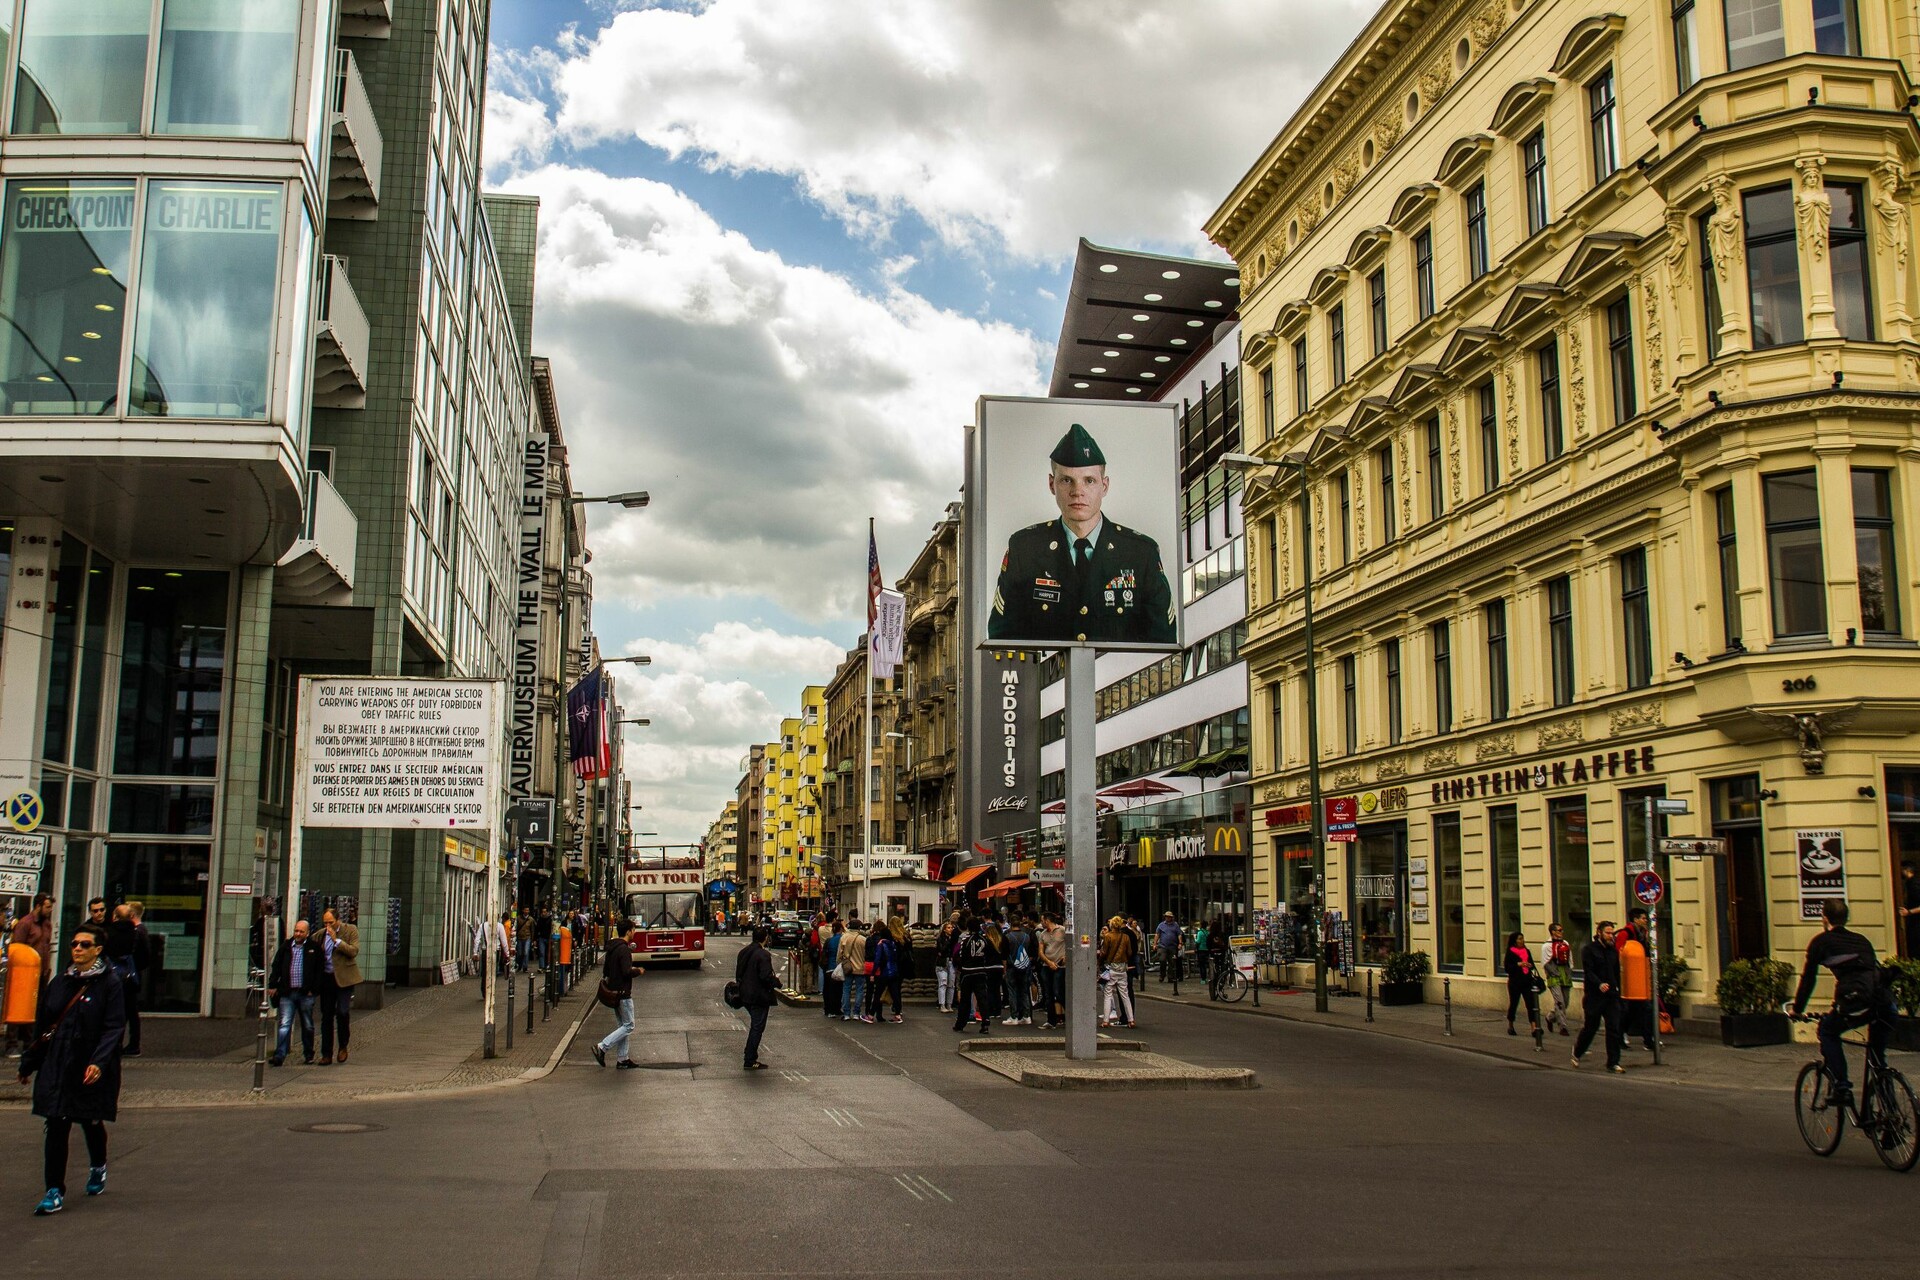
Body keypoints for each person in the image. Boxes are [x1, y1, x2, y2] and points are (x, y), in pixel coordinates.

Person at [987, 423, 1176, 644]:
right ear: (1051, 484)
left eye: (1089, 481)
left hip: (1122, 678)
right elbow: (1002, 638)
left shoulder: (1140, 553)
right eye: (1067, 480)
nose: (1078, 492)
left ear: (1104, 486)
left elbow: (1163, 640)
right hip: (1050, 678)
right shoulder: (1025, 549)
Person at [19, 922, 125, 1216]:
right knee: (56, 1122)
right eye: (74, 944)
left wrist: (98, 1062)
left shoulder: (110, 983)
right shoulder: (60, 981)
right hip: (57, 1063)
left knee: (90, 1121)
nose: (77, 949)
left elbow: (114, 1027)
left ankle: (98, 1166)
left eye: (84, 945)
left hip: (88, 1064)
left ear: (98, 950)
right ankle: (53, 1190)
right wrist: (29, 1063)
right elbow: (43, 1026)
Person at [1790, 898, 1894, 1110]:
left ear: (1825, 919)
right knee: (1877, 1059)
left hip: (1856, 1002)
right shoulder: (1862, 940)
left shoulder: (1821, 942)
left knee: (1828, 1031)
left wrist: (1797, 1010)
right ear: (1846, 918)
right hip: (1885, 1002)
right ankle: (1891, 1116)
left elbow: (1809, 980)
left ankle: (1842, 1087)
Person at [266, 919, 322, 1067]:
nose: (298, 934)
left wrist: (314, 990)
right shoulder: (286, 947)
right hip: (287, 992)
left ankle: (309, 1054)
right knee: (284, 1024)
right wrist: (273, 985)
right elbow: (276, 966)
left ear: (307, 933)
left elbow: (319, 970)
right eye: (296, 930)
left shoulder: (313, 948)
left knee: (308, 1025)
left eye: (301, 931)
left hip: (305, 993)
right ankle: (280, 1055)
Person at [1571, 921, 1624, 1073]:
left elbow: (1616, 973)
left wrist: (1617, 990)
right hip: (1595, 996)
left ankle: (1613, 1062)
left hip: (1611, 995)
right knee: (1591, 1028)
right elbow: (1589, 971)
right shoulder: (1589, 950)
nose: (1610, 936)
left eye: (1612, 933)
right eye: (1607, 933)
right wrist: (1599, 984)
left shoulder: (1613, 951)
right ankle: (1577, 1051)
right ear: (1599, 932)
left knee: (1613, 1028)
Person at [592, 924, 642, 1070]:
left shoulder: (612, 948)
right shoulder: (624, 949)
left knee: (623, 1026)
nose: (634, 932)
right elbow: (626, 972)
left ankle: (622, 1059)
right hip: (623, 993)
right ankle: (602, 1046)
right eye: (633, 930)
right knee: (629, 1026)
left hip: (614, 992)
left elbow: (606, 970)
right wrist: (638, 971)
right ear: (628, 931)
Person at [316, 909, 360, 1065]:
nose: (328, 926)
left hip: (344, 979)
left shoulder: (350, 930)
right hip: (327, 979)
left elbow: (354, 951)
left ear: (338, 920)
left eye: (331, 922)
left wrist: (337, 941)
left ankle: (343, 1046)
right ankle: (326, 1053)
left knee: (342, 1012)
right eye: (325, 922)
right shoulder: (320, 935)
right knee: (326, 1016)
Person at [735, 925, 777, 1070]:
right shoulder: (763, 955)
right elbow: (765, 976)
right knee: (757, 1027)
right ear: (766, 938)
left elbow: (739, 973)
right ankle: (750, 1058)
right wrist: (776, 982)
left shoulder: (744, 952)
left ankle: (750, 1054)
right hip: (759, 996)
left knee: (756, 1024)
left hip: (745, 994)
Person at [952, 913, 1000, 1034]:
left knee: (965, 999)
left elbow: (960, 955)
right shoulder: (985, 940)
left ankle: (961, 1023)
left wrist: (961, 966)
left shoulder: (966, 940)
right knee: (982, 998)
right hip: (981, 971)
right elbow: (989, 954)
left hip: (967, 972)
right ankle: (985, 1022)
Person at [1616, 907, 1656, 1050]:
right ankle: (1621, 1036)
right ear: (1636, 919)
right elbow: (1619, 953)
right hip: (1627, 979)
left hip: (1640, 977)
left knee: (1646, 1008)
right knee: (1626, 1010)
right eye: (1644, 918)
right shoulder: (1625, 933)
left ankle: (1648, 1039)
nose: (1646, 921)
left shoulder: (1644, 933)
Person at [103, 905, 140, 1057]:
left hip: (112, 976)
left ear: (114, 916)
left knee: (113, 1011)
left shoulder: (107, 933)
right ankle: (134, 1044)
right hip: (130, 977)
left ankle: (115, 1044)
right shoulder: (136, 933)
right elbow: (144, 956)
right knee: (131, 1012)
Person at [1503, 930, 1541, 1041]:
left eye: (1522, 938)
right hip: (1515, 982)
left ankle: (1533, 1027)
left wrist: (1529, 965)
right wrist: (1518, 964)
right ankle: (1511, 1024)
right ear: (1514, 941)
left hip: (1527, 981)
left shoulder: (1527, 951)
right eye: (1519, 939)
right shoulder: (1510, 952)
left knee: (1530, 1004)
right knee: (1514, 1003)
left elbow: (1533, 965)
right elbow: (1507, 968)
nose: (1522, 941)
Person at [1099, 917, 1136, 1027]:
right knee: (1125, 995)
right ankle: (1131, 1020)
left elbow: (1104, 952)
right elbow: (1129, 952)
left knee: (1108, 993)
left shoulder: (1108, 936)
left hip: (1111, 968)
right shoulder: (1125, 937)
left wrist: (1100, 961)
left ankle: (1106, 1021)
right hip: (1123, 968)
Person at [11, 893, 55, 978]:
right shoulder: (25, 923)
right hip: (27, 970)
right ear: (38, 906)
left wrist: (47, 968)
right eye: (48, 907)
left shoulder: (47, 924)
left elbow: (47, 946)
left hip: (43, 971)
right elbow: (17, 948)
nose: (50, 910)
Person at [1002, 915, 1035, 1026]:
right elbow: (1031, 953)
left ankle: (1014, 1016)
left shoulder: (1007, 936)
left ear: (1011, 924)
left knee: (1012, 991)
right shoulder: (1027, 936)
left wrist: (1005, 970)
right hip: (1025, 966)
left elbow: (1004, 955)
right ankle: (1026, 1016)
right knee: (1024, 991)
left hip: (1012, 967)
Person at [1542, 922, 1573, 1037]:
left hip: (1565, 974)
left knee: (1566, 1002)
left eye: (1562, 930)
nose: (1561, 932)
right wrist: (1553, 973)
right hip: (1554, 975)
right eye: (1559, 930)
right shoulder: (1547, 946)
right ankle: (1563, 1026)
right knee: (1559, 1002)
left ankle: (1550, 1017)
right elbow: (1545, 963)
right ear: (1553, 932)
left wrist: (1569, 973)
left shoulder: (1565, 943)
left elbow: (1570, 959)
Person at [1036, 913, 1067, 1029]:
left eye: (1042, 920)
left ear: (1047, 920)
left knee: (1058, 992)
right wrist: (1049, 962)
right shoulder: (1043, 934)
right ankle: (1051, 1020)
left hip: (1060, 966)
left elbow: (1071, 945)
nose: (1041, 923)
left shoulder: (1062, 930)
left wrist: (1065, 957)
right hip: (1047, 965)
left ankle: (1068, 1016)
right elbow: (1040, 951)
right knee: (1048, 994)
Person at [870, 921, 903, 1024]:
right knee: (895, 994)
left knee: (877, 994)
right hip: (894, 971)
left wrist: (873, 973)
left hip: (884, 972)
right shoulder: (893, 944)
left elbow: (877, 960)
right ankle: (897, 1014)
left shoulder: (881, 945)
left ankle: (871, 1015)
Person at [839, 919, 869, 1023]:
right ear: (859, 928)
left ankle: (846, 1013)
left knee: (846, 989)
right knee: (859, 990)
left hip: (848, 968)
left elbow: (839, 954)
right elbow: (866, 954)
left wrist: (839, 965)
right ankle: (856, 1013)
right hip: (860, 968)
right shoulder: (863, 939)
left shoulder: (844, 937)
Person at [933, 918, 958, 1013]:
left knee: (951, 984)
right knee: (943, 983)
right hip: (942, 963)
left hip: (951, 962)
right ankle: (942, 1004)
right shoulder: (940, 939)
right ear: (944, 929)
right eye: (948, 927)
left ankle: (949, 1004)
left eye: (951, 927)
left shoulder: (954, 939)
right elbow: (941, 950)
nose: (950, 929)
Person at [820, 919, 844, 1019]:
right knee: (839, 990)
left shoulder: (829, 940)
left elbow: (824, 953)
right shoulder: (843, 939)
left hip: (829, 968)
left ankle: (828, 1009)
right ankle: (837, 1008)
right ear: (841, 929)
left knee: (828, 990)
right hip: (839, 968)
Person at [1899, 862, 1919, 960]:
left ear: (1907, 870)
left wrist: (1909, 912)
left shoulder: (1913, 884)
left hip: (1916, 923)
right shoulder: (1912, 883)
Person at [1155, 912, 1182, 982]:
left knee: (1172, 962)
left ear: (1171, 917)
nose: (1168, 918)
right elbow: (1157, 934)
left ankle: (1170, 977)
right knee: (1162, 960)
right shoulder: (1161, 925)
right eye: (1167, 916)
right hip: (1162, 946)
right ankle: (1162, 975)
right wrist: (1154, 944)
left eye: (1169, 917)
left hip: (1172, 946)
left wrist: (1180, 943)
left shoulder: (1175, 925)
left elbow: (1179, 934)